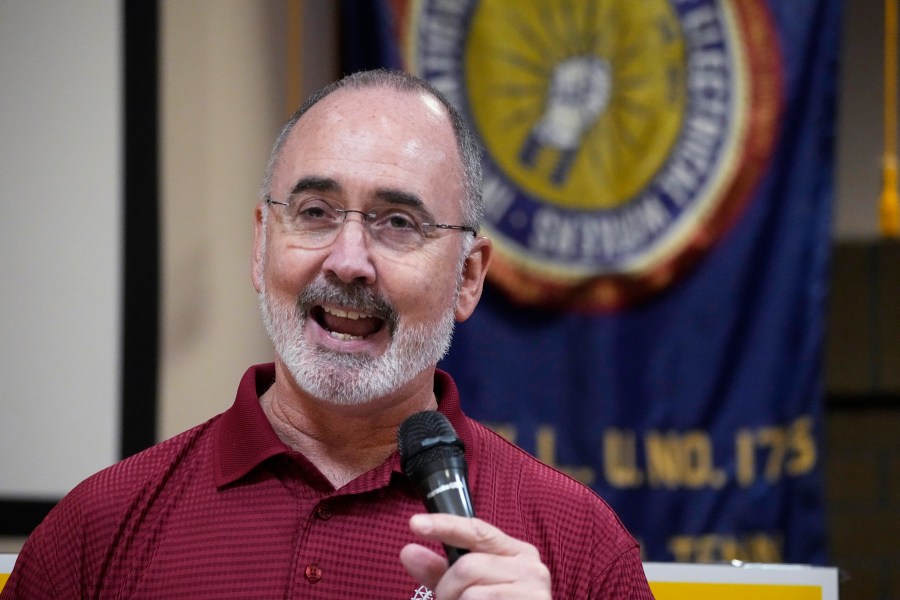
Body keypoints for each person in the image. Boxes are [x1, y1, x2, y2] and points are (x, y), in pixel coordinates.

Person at [2, 70, 653, 599]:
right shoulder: (97, 531)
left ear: (468, 278)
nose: (347, 261)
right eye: (314, 212)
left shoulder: (578, 549)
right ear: (261, 244)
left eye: (398, 221)